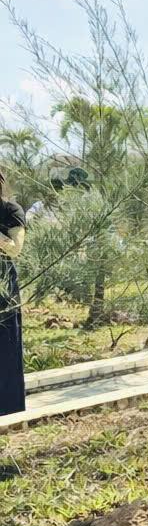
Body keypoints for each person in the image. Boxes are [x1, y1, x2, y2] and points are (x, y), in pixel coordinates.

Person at [0, 169, 27, 416]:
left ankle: (8, 408)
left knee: (5, 344)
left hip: (2, 285)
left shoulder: (11, 210)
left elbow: (16, 250)